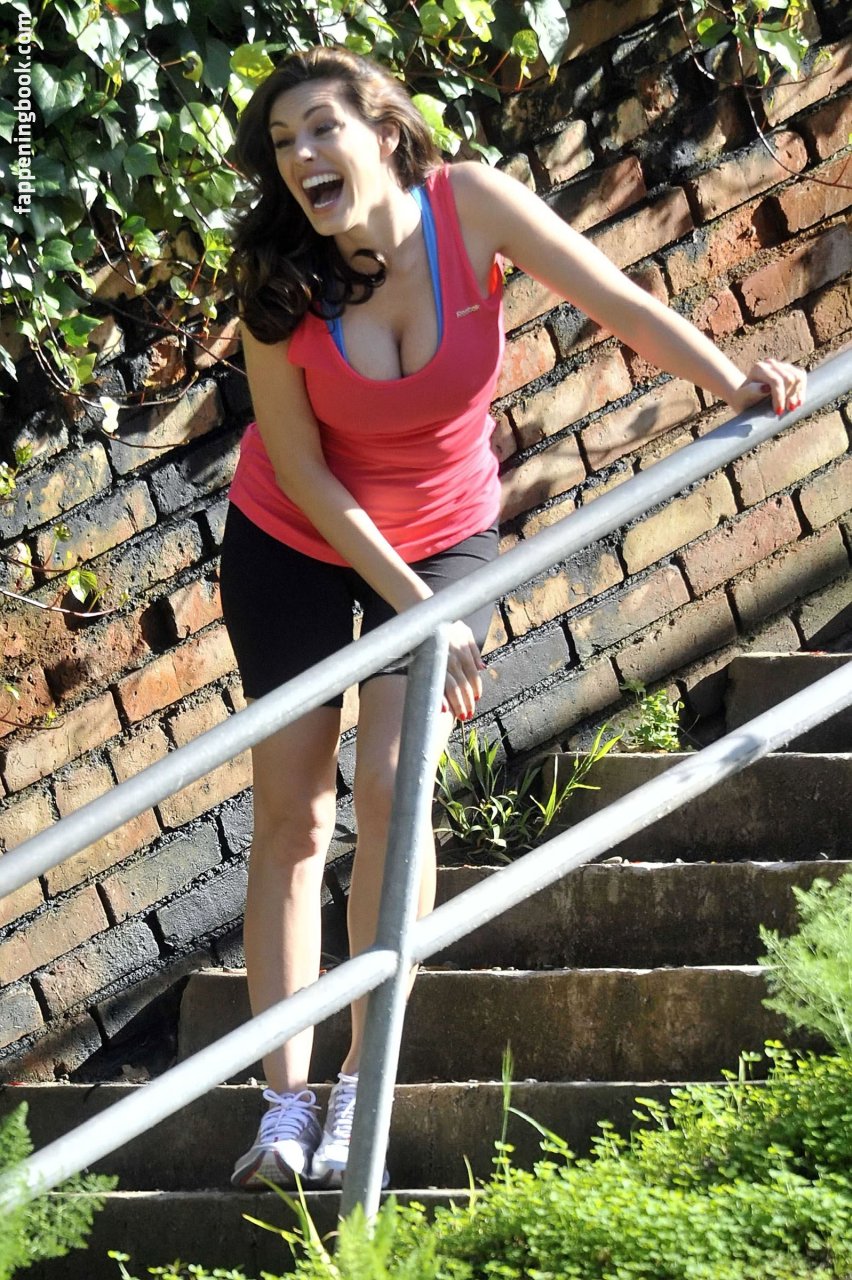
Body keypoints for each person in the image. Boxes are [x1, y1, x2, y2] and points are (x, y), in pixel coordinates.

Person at [219, 44, 806, 1190]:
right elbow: (308, 474)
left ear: (386, 131)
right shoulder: (278, 280)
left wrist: (730, 379)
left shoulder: (470, 205)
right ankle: (283, 1103)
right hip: (295, 538)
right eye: (283, 143)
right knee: (295, 813)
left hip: (444, 534)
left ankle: (361, 1078)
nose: (300, 156)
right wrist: (420, 614)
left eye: (321, 128)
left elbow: (614, 300)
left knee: (396, 790)